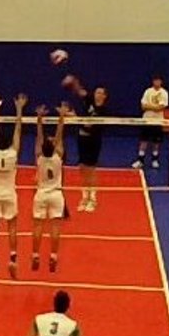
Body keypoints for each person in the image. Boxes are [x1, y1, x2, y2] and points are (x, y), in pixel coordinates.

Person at [0, 93, 27, 278]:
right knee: (12, 227)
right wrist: (19, 109)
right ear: (9, 142)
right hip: (10, 194)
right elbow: (18, 131)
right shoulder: (13, 155)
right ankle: (12, 260)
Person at [32, 104, 68, 273]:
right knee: (55, 228)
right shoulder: (58, 157)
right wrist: (61, 116)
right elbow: (60, 136)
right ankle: (53, 256)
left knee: (38, 226)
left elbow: (39, 138)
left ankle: (35, 255)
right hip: (56, 194)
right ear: (54, 147)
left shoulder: (39, 158)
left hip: (41, 194)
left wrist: (39, 119)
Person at [66, 74, 108, 213]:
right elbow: (80, 90)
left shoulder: (103, 111)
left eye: (101, 93)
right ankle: (84, 197)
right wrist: (74, 80)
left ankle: (93, 198)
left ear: (104, 96)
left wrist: (74, 117)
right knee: (82, 168)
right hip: (82, 138)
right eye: (96, 92)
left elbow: (89, 125)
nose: (97, 95)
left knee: (91, 170)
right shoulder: (90, 100)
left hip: (94, 141)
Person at [132, 74, 169, 171]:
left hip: (158, 121)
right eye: (155, 80)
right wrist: (154, 107)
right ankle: (140, 160)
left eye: (158, 81)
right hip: (146, 120)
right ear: (153, 82)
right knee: (143, 141)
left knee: (156, 142)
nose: (157, 82)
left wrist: (150, 106)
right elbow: (143, 106)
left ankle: (154, 160)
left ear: (161, 82)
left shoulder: (164, 93)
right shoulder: (147, 92)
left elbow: (161, 107)